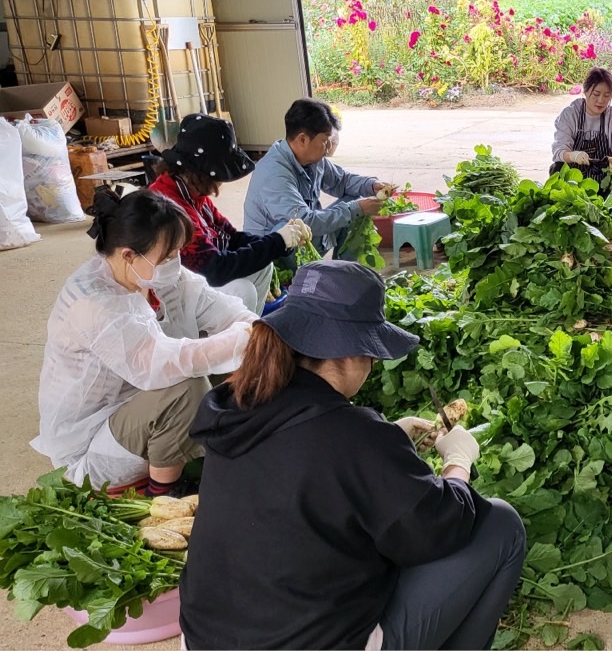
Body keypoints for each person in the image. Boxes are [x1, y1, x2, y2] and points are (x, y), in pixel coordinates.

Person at [179, 261, 527, 650]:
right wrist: (457, 463)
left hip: (206, 639)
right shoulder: (354, 436)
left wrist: (388, 440)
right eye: (371, 353)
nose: (374, 364)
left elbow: (304, 465)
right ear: (348, 353)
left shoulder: (239, 407)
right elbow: (438, 528)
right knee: (499, 523)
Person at [33, 188, 255, 494]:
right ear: (128, 254)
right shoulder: (95, 302)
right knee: (187, 388)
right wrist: (242, 340)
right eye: (168, 255)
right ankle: (165, 492)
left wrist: (254, 333)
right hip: (93, 442)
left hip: (137, 405)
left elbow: (225, 310)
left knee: (238, 365)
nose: (176, 262)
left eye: (177, 251)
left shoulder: (151, 275)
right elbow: (160, 365)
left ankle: (212, 449)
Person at [148, 114, 312, 314]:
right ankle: (226, 341)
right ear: (204, 173)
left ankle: (247, 331)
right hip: (169, 300)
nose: (221, 183)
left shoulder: (191, 192)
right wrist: (278, 241)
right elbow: (216, 270)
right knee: (243, 292)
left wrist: (282, 241)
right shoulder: (169, 207)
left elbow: (232, 238)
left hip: (197, 280)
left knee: (263, 267)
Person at [243, 98, 397, 260]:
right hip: (274, 256)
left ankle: (345, 272)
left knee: (356, 199)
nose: (329, 148)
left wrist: (371, 185)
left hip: (309, 234)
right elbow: (306, 220)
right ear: (303, 139)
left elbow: (342, 182)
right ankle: (296, 281)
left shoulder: (313, 159)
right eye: (325, 141)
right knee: (294, 227)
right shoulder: (273, 174)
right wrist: (356, 209)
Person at [551, 67, 612, 196]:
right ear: (585, 91)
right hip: (577, 180)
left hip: (607, 177)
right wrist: (573, 156)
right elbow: (559, 151)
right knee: (557, 168)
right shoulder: (570, 114)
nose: (601, 100)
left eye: (606, 96)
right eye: (596, 94)